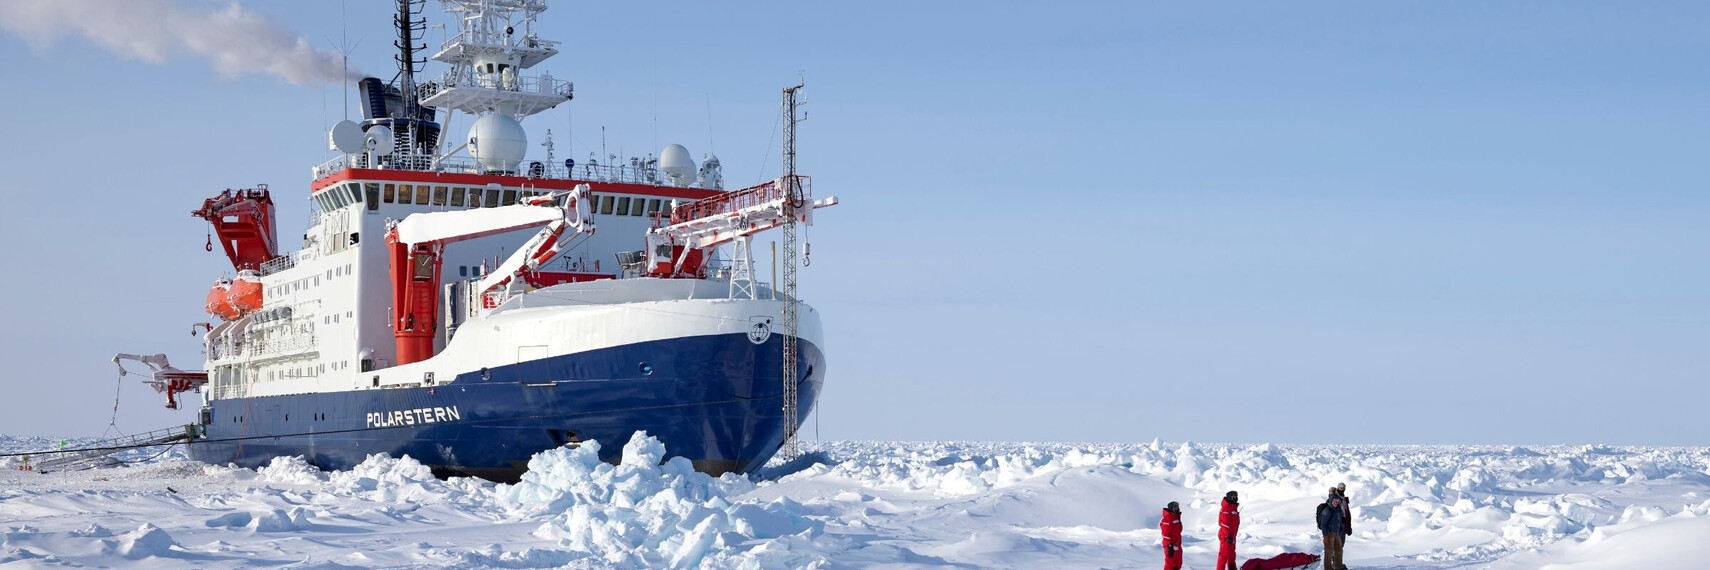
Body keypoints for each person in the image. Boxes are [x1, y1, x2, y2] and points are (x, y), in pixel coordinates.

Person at [1318, 493, 1346, 570]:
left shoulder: (1338, 510)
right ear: (1331, 501)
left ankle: (1338, 566)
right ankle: (1328, 568)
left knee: (1339, 549)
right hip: (1329, 533)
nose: (1335, 502)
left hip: (1336, 533)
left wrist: (1340, 529)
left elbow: (1339, 521)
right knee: (1329, 551)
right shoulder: (1327, 511)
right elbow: (1323, 524)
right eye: (1334, 500)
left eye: (1337, 500)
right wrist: (1325, 535)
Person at [1217, 490, 1240, 570]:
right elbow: (1224, 524)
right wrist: (1227, 536)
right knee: (1223, 556)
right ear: (1229, 497)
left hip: (1231, 537)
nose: (1235, 498)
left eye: (1236, 496)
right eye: (1233, 496)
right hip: (1226, 537)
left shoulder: (1232, 507)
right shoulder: (1227, 508)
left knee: (1231, 554)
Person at [1333, 483, 1353, 569]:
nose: (1341, 489)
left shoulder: (1343, 499)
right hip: (1338, 525)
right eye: (1340, 487)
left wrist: (1348, 526)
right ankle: (1336, 564)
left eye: (1343, 488)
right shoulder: (1334, 498)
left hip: (1344, 525)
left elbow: (1346, 513)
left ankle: (1337, 563)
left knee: (1341, 545)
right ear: (1337, 488)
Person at [1160, 501, 1183, 570]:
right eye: (1174, 507)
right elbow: (1165, 534)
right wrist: (1169, 546)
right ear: (1171, 508)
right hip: (1171, 546)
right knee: (1170, 564)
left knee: (1178, 564)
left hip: (1177, 545)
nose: (1176, 509)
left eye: (1177, 507)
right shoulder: (1168, 518)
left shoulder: (1175, 517)